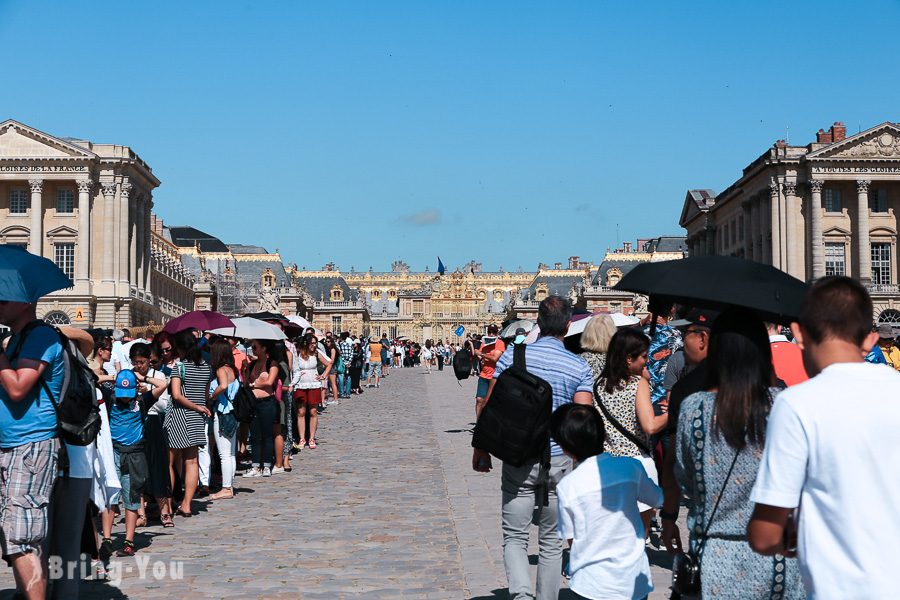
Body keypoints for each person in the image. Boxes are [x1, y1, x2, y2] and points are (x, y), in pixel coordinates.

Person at [749, 276, 900, 597]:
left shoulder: (796, 404)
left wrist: (792, 531)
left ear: (800, 334)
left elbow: (764, 537)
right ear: (871, 339)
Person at [676, 309, 804, 599]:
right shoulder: (784, 405)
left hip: (714, 558)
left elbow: (685, 480)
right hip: (777, 557)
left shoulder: (694, 408)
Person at [472, 296, 594, 600]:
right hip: (560, 460)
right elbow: (582, 421)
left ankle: (522, 595)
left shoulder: (513, 356)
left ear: (537, 322)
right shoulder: (579, 366)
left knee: (515, 536)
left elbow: (491, 404)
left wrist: (482, 447)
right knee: (552, 541)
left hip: (519, 455)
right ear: (568, 326)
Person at [553, 403, 663, 600]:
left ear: (566, 448)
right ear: (603, 433)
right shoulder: (631, 467)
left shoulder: (567, 486)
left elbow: (572, 538)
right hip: (633, 582)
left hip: (590, 585)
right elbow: (656, 498)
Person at [0, 304, 63, 600]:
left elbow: (17, 388)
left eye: (3, 299)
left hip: (30, 445)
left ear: (24, 302)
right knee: (24, 536)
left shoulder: (41, 337)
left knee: (20, 537)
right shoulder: (16, 339)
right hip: (14, 445)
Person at [595, 328, 668, 534]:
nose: (647, 361)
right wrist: (673, 412)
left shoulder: (598, 385)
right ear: (629, 358)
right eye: (644, 356)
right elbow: (650, 425)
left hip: (607, 466)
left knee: (612, 533)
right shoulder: (637, 385)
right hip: (636, 465)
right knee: (637, 537)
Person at [658, 309, 714, 556]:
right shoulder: (771, 388)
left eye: (686, 334)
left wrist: (669, 516)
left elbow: (673, 462)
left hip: (704, 522)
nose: (682, 340)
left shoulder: (686, 391)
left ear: (703, 339)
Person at [105, 369, 168, 557]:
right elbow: (92, 379)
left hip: (135, 455)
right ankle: (107, 540)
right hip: (114, 453)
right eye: (121, 394)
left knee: (132, 497)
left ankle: (129, 541)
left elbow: (163, 385)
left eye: (128, 394)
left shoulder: (142, 401)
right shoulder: (110, 398)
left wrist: (144, 378)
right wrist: (111, 377)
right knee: (110, 497)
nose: (125, 399)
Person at [164, 330, 212, 517]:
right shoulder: (206, 368)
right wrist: (199, 407)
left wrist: (194, 406)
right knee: (192, 461)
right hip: (197, 419)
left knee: (169, 462)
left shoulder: (180, 367)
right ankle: (186, 504)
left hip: (179, 415)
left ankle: (167, 504)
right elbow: (206, 395)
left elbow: (176, 395)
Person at [130, 343, 174, 528]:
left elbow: (164, 405)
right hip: (135, 424)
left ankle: (165, 511)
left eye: (141, 362)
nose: (138, 365)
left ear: (149, 359)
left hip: (154, 421)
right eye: (135, 362)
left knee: (158, 467)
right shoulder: (129, 375)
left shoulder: (158, 375)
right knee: (137, 470)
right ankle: (141, 514)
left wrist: (148, 392)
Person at [242, 339, 281, 477]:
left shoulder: (272, 363)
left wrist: (255, 385)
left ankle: (266, 465)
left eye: (255, 346)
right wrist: (245, 370)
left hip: (267, 402)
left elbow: (270, 382)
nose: (252, 349)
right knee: (255, 435)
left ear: (264, 348)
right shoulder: (253, 364)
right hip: (254, 402)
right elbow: (246, 383)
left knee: (267, 435)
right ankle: (256, 465)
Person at [208, 339, 239, 498]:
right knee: (231, 453)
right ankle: (230, 483)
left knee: (224, 454)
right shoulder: (233, 369)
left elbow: (223, 386)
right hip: (233, 412)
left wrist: (212, 397)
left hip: (222, 411)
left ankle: (226, 488)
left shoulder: (221, 369)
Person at [292, 334, 329, 450]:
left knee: (313, 411)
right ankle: (302, 438)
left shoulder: (317, 353)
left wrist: (323, 375)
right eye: (312, 343)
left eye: (315, 343)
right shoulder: (298, 353)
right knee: (301, 412)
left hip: (314, 383)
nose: (314, 345)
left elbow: (329, 363)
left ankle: (312, 438)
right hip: (300, 384)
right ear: (305, 343)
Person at [473, 325, 506, 418]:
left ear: (497, 333)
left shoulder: (500, 343)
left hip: (495, 376)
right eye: (490, 332)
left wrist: (482, 354)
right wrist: (476, 352)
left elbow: (495, 358)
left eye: (494, 332)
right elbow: (479, 355)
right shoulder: (484, 343)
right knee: (479, 399)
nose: (491, 334)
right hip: (484, 374)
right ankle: (479, 423)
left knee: (492, 401)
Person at [337, 332, 354, 398]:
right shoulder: (350, 345)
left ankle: (341, 393)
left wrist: (344, 362)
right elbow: (351, 355)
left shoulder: (339, 345)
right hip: (349, 363)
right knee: (348, 378)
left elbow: (340, 355)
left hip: (342, 363)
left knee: (341, 378)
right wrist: (348, 362)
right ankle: (348, 393)